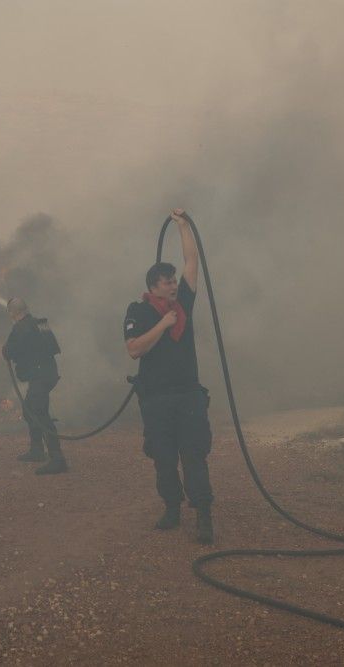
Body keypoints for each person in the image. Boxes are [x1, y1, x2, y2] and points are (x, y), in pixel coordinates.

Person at [124, 209, 214, 543]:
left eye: (175, 281)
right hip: (157, 398)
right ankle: (172, 508)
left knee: (194, 455)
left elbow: (192, 261)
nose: (175, 285)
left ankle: (204, 514)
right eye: (168, 282)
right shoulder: (138, 312)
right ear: (153, 287)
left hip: (188, 394)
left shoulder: (184, 305)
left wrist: (183, 226)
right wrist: (162, 327)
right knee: (163, 458)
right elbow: (134, 350)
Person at [2, 298, 66, 475]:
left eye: (10, 313)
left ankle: (57, 459)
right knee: (30, 408)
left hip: (40, 376)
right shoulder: (40, 323)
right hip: (48, 373)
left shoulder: (20, 327)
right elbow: (53, 348)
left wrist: (5, 350)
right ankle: (37, 450)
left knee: (40, 414)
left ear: (13, 312)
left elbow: (10, 351)